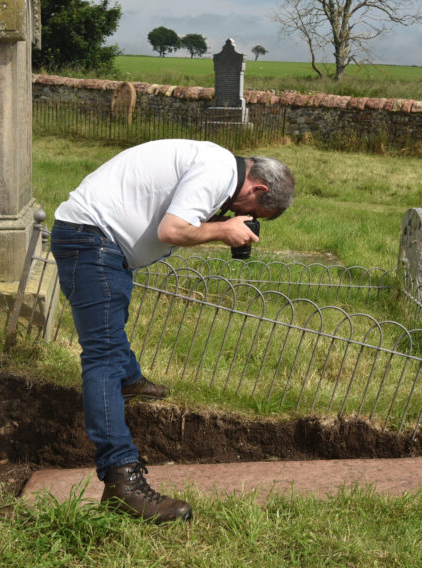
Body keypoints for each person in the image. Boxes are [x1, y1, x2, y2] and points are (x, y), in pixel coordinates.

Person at [49, 139, 294, 523]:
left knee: (110, 336)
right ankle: (121, 482)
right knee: (102, 358)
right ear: (258, 188)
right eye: (252, 212)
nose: (242, 216)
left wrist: (220, 223)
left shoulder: (217, 165)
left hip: (97, 240)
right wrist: (223, 230)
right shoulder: (217, 172)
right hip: (91, 239)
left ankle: (128, 381)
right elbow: (171, 229)